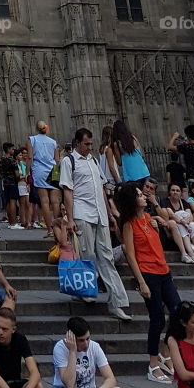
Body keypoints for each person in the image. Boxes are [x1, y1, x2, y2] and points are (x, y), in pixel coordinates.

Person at [59, 128, 132, 321]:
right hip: (82, 213)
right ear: (77, 143)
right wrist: (71, 219)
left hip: (99, 214)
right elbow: (68, 191)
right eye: (86, 144)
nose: (90, 147)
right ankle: (86, 290)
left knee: (106, 256)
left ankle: (117, 302)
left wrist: (109, 214)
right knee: (87, 254)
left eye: (91, 144)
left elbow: (101, 188)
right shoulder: (69, 161)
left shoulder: (93, 160)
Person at [115, 181, 181, 383]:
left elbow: (157, 245)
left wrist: (157, 226)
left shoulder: (148, 218)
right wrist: (141, 282)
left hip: (163, 270)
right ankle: (153, 363)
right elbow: (131, 255)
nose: (143, 195)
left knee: (178, 311)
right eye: (139, 194)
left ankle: (165, 351)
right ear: (132, 200)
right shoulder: (128, 224)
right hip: (148, 273)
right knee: (157, 319)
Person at [52, 316, 130, 388]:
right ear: (71, 338)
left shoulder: (94, 346)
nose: (86, 344)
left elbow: (111, 378)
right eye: (81, 340)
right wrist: (72, 352)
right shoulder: (60, 348)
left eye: (87, 339)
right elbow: (69, 384)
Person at [164, 183, 194, 263]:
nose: (175, 192)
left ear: (181, 193)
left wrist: (187, 222)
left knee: (193, 224)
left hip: (186, 224)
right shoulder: (166, 202)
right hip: (174, 226)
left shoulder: (184, 202)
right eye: (173, 190)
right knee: (181, 226)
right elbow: (172, 215)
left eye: (177, 191)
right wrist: (184, 223)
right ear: (169, 192)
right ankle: (191, 254)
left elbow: (190, 216)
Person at [28, 123, 60, 234]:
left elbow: (30, 157)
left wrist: (28, 171)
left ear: (36, 128)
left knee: (44, 201)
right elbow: (57, 159)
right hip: (54, 169)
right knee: (55, 201)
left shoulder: (32, 139)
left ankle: (50, 230)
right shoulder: (53, 142)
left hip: (40, 170)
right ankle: (58, 228)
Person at [109, 120, 150, 186]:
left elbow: (120, 162)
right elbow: (141, 153)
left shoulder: (117, 144)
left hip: (131, 175)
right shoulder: (133, 138)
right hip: (143, 171)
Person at [0, 144, 21, 230]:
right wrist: (20, 177)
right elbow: (16, 174)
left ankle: (10, 222)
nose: (14, 150)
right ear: (8, 149)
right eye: (12, 149)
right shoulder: (12, 160)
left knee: (8, 202)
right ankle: (14, 222)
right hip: (12, 182)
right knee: (13, 202)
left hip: (5, 182)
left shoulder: (1, 159)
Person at [16, 147, 33, 230]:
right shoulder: (19, 163)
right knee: (23, 204)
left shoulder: (28, 163)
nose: (25, 155)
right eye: (23, 153)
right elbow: (20, 175)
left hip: (28, 183)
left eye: (26, 153)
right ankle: (23, 221)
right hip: (22, 184)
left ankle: (28, 221)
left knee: (28, 204)